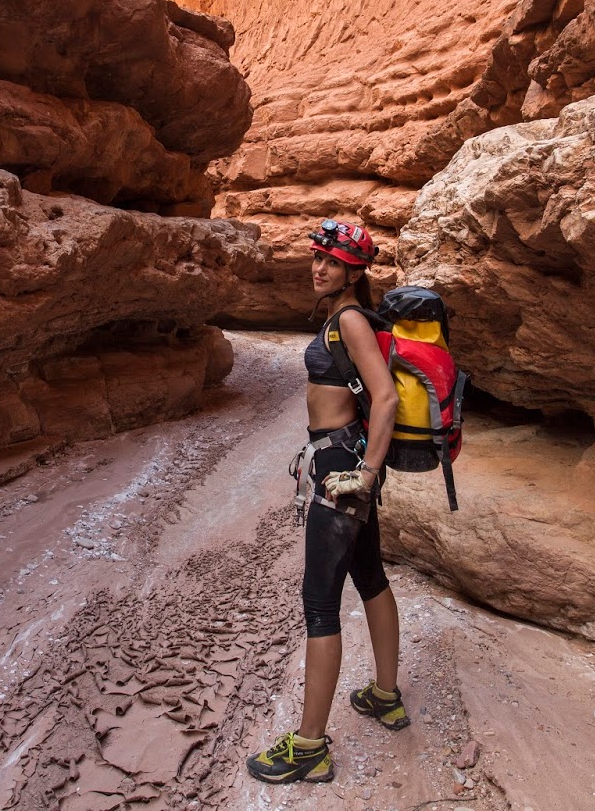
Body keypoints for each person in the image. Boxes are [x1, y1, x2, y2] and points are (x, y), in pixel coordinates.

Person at [246, 218, 408, 785]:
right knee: (370, 575)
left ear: (354, 272)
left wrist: (364, 474)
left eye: (332, 262)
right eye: (317, 258)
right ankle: (385, 695)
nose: (319, 268)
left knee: (319, 602)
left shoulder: (349, 319)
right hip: (346, 462)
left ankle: (309, 747)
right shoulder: (345, 317)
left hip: (344, 471)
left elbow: (384, 398)